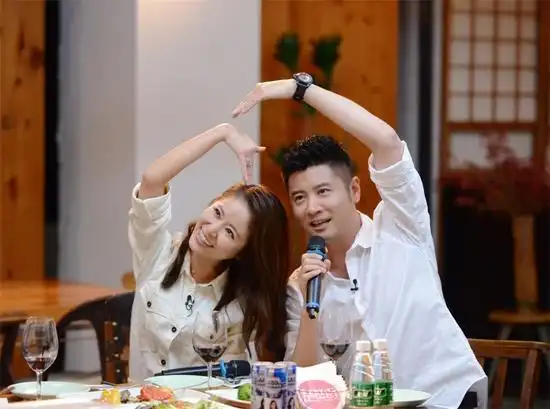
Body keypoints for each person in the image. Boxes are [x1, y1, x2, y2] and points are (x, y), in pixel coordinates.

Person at [232, 75, 487, 409]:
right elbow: (306, 380)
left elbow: (386, 141)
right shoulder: (302, 283)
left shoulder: (399, 225)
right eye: (299, 197)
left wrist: (299, 89)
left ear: (354, 190)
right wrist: (311, 307)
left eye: (323, 191)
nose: (312, 207)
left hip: (444, 399)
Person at [128, 123, 290, 381]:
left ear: (242, 252)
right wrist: (223, 133)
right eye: (217, 212)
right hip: (141, 397)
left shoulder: (240, 305)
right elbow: (152, 179)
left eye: (230, 233)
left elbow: (231, 383)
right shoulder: (157, 253)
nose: (212, 230)